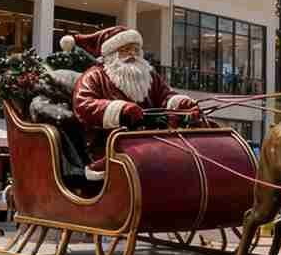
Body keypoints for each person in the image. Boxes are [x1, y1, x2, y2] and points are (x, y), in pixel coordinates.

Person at [64, 26, 198, 179]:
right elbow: (84, 104)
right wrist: (120, 109)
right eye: (125, 49)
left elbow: (165, 95)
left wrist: (180, 103)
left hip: (152, 140)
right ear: (111, 54)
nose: (132, 54)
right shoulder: (95, 76)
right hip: (107, 145)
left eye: (135, 49)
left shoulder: (148, 76)